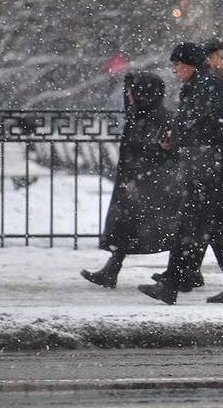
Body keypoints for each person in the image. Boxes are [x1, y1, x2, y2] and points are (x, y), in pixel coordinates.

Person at [137, 42, 223, 305]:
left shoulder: (208, 86)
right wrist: (177, 135)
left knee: (206, 227)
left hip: (213, 169)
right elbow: (201, 123)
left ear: (188, 64)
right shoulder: (202, 85)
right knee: (208, 227)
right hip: (209, 167)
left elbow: (210, 125)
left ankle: (182, 284)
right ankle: (191, 283)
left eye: (176, 65)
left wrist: (180, 133)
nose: (174, 71)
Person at [80, 71, 178, 289]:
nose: (129, 96)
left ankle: (182, 272)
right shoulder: (140, 116)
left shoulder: (155, 119)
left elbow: (155, 152)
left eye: (133, 92)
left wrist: (137, 177)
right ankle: (113, 269)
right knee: (129, 226)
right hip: (138, 181)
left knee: (164, 228)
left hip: (150, 183)